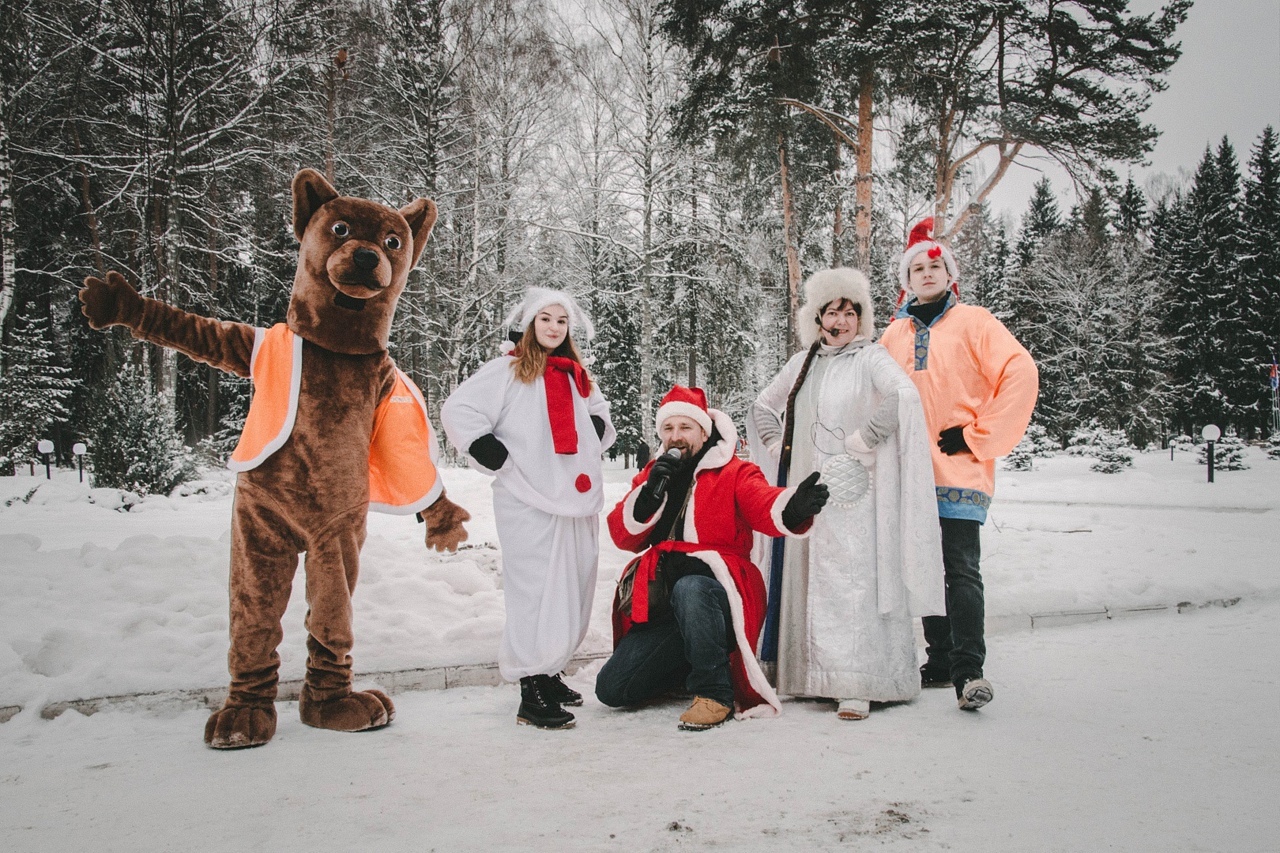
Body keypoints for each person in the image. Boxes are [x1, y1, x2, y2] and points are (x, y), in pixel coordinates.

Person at [748, 268, 944, 720]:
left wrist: (866, 437)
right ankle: (809, 676)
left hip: (856, 497)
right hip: (809, 496)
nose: (841, 321)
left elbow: (903, 395)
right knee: (809, 582)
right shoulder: (801, 363)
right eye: (833, 312)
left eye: (850, 312)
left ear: (861, 318)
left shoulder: (870, 358)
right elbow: (763, 406)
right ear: (817, 317)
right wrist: (778, 447)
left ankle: (859, 682)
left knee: (853, 585)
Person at [595, 386, 829, 730]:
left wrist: (793, 507)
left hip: (718, 594)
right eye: (668, 428)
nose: (676, 436)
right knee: (612, 689)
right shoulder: (654, 473)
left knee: (691, 588)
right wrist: (648, 496)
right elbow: (621, 535)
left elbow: (763, 503)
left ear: (704, 432)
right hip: (667, 603)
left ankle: (715, 692)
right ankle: (689, 663)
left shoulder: (734, 471)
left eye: (685, 427)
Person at [879, 218, 1038, 711]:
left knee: (960, 569)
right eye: (917, 268)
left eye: (936, 266)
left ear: (950, 274)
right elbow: (872, 396)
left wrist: (977, 436)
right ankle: (940, 659)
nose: (927, 274)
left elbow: (1020, 371)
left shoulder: (975, 322)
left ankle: (969, 671)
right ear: (906, 279)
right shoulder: (893, 335)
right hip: (909, 472)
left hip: (959, 467)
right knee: (924, 568)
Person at [441, 288, 615, 729]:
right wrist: (491, 452)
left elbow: (599, 412)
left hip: (574, 498)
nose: (554, 327)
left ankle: (550, 670)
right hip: (526, 496)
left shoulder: (578, 375)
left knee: (573, 585)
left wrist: (592, 429)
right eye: (545, 319)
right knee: (535, 590)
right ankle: (530, 687)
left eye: (561, 321)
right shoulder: (507, 370)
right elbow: (459, 408)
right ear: (529, 323)